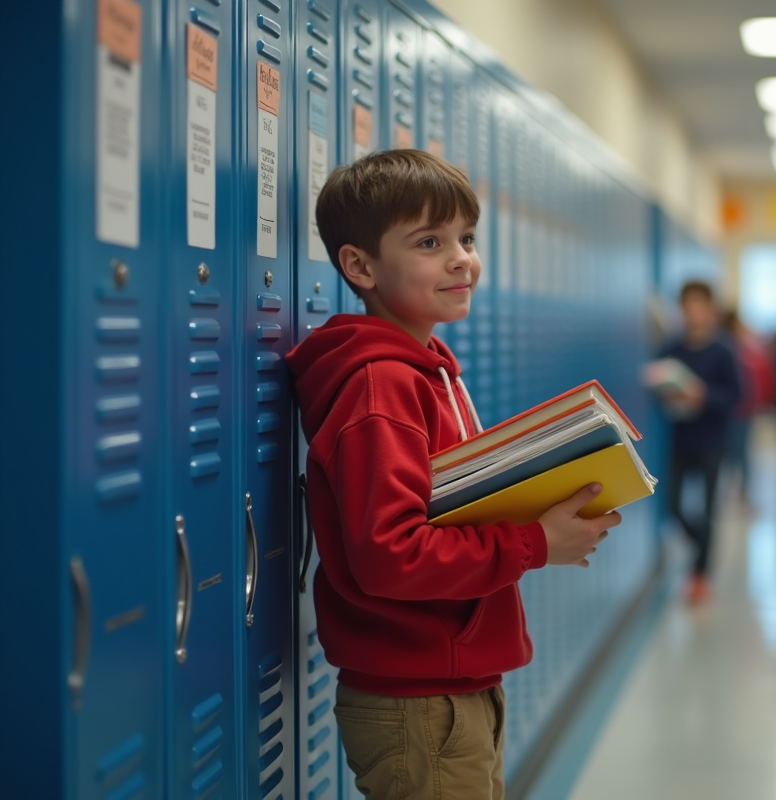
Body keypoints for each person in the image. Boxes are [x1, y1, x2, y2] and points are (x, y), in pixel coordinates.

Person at [286, 150, 622, 800]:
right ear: (360, 266)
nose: (461, 259)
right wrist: (534, 544)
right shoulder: (381, 387)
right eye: (429, 243)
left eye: (466, 238)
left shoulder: (428, 371)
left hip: (451, 685)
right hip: (420, 700)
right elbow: (392, 554)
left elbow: (448, 508)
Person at [657, 282, 743, 603]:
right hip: (680, 440)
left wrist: (704, 396)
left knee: (707, 510)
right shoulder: (671, 349)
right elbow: (656, 383)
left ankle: (700, 574)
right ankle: (699, 546)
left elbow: (736, 395)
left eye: (698, 305)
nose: (693, 312)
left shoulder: (723, 351)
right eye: (687, 305)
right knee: (672, 506)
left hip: (712, 441)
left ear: (710, 309)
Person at [722, 310, 776, 501]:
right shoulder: (734, 351)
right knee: (736, 454)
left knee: (740, 454)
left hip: (743, 411)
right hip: (735, 411)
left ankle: (742, 492)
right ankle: (739, 492)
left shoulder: (742, 350)